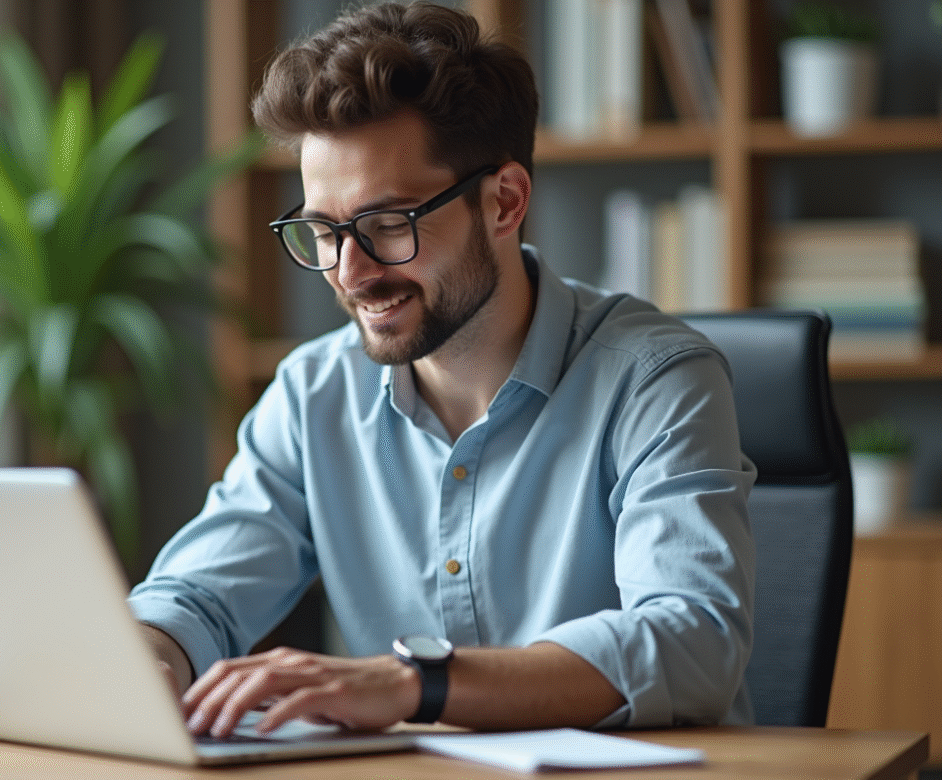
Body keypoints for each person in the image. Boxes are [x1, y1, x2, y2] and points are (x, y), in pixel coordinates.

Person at [128, 1, 755, 738]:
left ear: (505, 201)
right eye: (323, 231)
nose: (348, 272)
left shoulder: (656, 381)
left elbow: (691, 641)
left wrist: (413, 685)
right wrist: (144, 657)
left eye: (388, 223)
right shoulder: (311, 394)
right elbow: (196, 597)